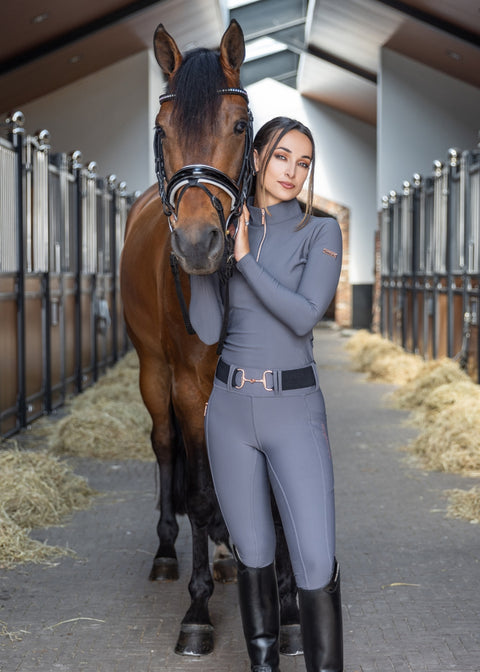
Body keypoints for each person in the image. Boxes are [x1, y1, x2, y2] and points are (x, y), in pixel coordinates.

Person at [189, 116, 343, 672]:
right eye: (282, 157)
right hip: (229, 410)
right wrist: (203, 256)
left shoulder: (320, 232)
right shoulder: (232, 227)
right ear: (255, 158)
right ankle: (262, 666)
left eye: (303, 163)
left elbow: (304, 317)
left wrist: (249, 260)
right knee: (252, 554)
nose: (293, 172)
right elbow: (207, 330)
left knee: (314, 560)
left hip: (294, 409)